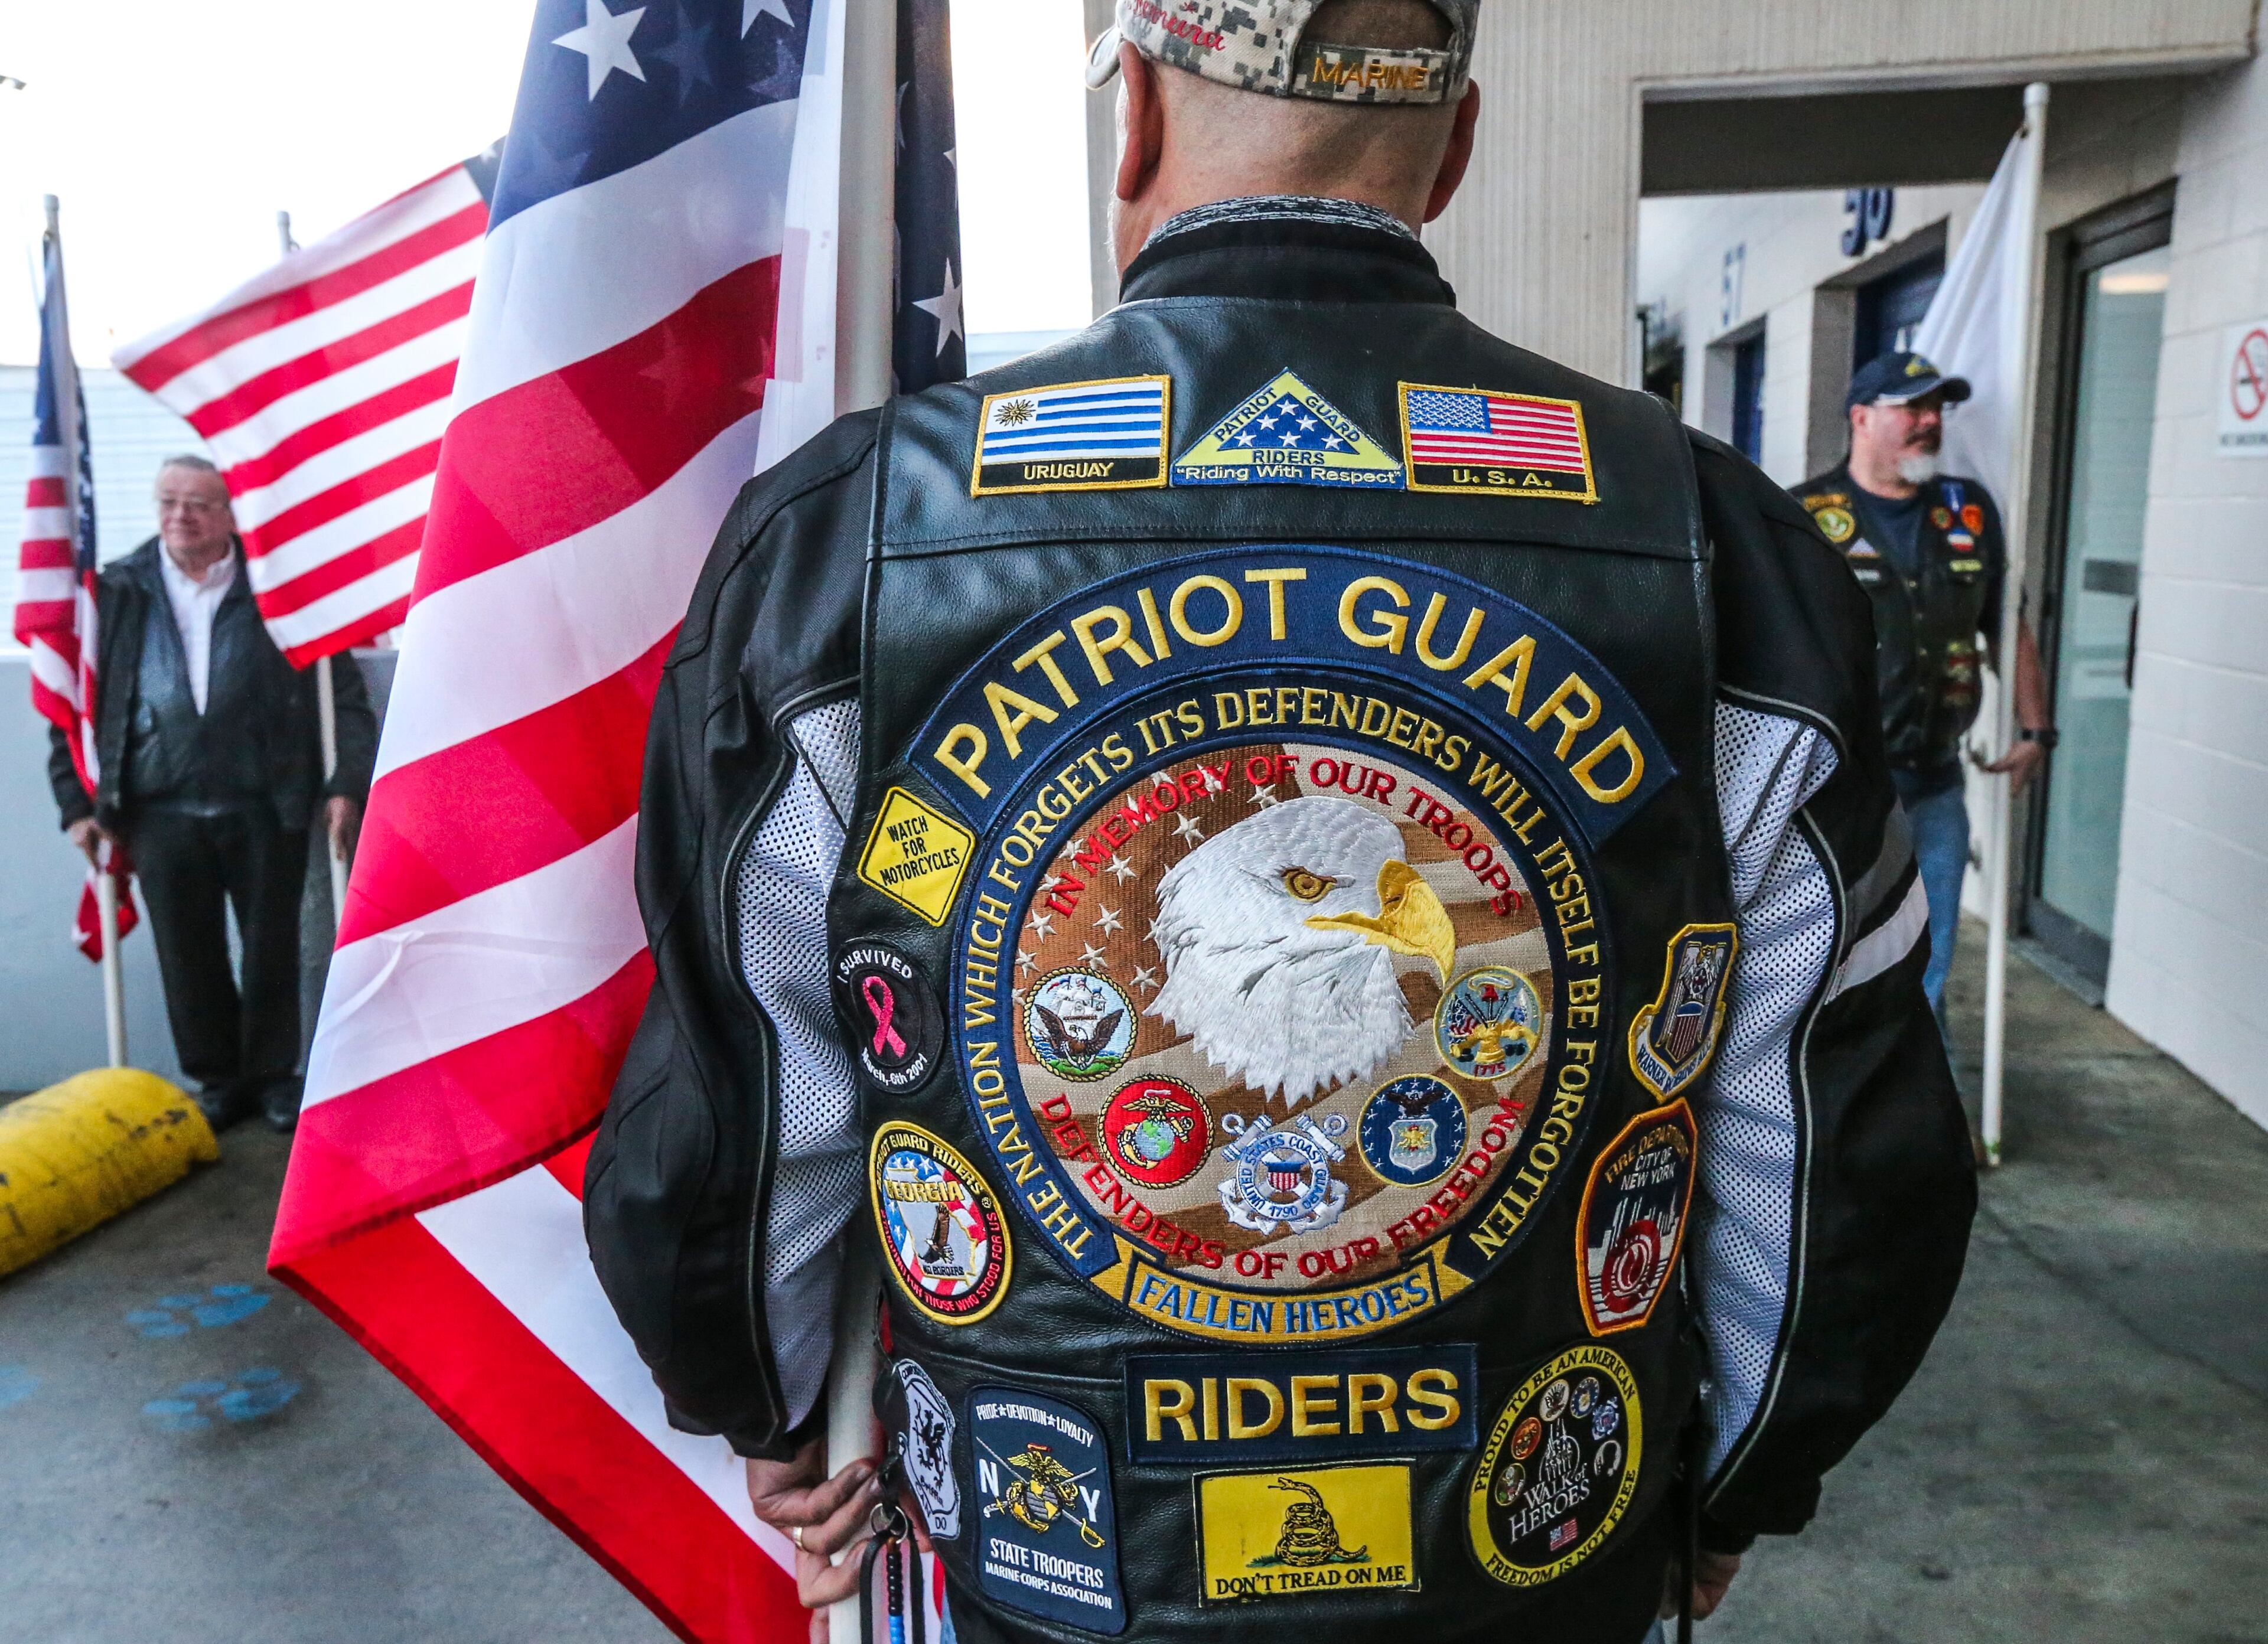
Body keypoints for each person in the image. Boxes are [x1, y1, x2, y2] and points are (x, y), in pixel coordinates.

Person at [584, 4, 1977, 1641]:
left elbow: (746, 1105)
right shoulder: (1708, 542)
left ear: (1138, 127)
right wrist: (1729, 1487)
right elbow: (1833, 1148)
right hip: (1539, 1562)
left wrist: (763, 1402)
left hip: (1037, 1576)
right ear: (1452, 150)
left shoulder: (854, 543)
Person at [48, 455, 375, 1133]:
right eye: (168, 500)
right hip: (158, 810)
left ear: (230, 514)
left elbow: (338, 699)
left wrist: (346, 786)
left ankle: (275, 1077)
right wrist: (76, 804)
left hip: (268, 803)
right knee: (186, 953)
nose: (180, 516)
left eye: (198, 503)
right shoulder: (117, 592)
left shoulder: (279, 591)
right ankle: (218, 1079)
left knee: (272, 949)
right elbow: (75, 704)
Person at [1793, 354, 2054, 1026]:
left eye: (1937, 409)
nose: (1930, 422)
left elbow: (2006, 625)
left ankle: (1921, 1120)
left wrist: (2035, 730)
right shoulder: (1805, 516)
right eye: (1912, 408)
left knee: (1928, 963)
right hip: (1838, 791)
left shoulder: (1967, 511)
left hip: (1936, 787)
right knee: (1822, 961)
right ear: (1861, 418)